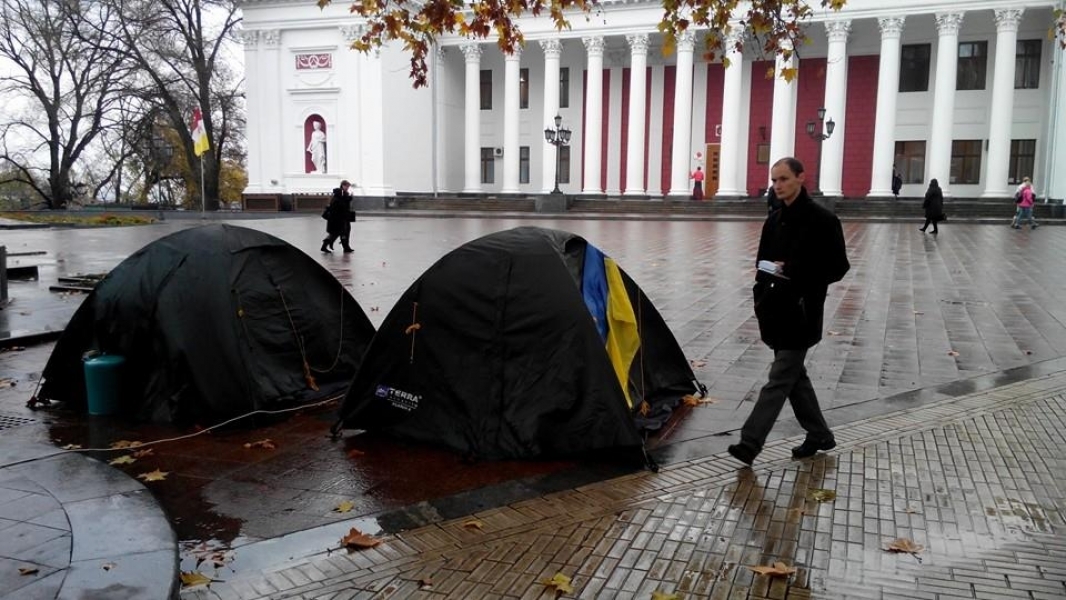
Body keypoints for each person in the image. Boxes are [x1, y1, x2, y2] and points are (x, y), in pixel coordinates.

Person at [727, 157, 850, 467]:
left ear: (800, 177)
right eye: (774, 181)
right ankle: (820, 434)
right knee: (795, 378)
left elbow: (838, 267)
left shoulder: (823, 220)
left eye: (783, 179)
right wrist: (760, 296)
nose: (777, 186)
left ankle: (750, 442)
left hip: (803, 312)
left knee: (780, 377)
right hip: (775, 310)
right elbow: (761, 265)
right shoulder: (774, 220)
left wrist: (795, 270)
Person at [321, 180, 354, 253]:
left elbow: (343, 203)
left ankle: (345, 247)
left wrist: (348, 199)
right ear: (343, 185)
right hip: (339, 218)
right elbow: (341, 205)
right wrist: (349, 199)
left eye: (348, 186)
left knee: (341, 232)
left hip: (341, 217)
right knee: (338, 233)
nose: (348, 188)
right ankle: (326, 245)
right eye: (347, 186)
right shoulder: (340, 194)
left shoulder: (341, 194)